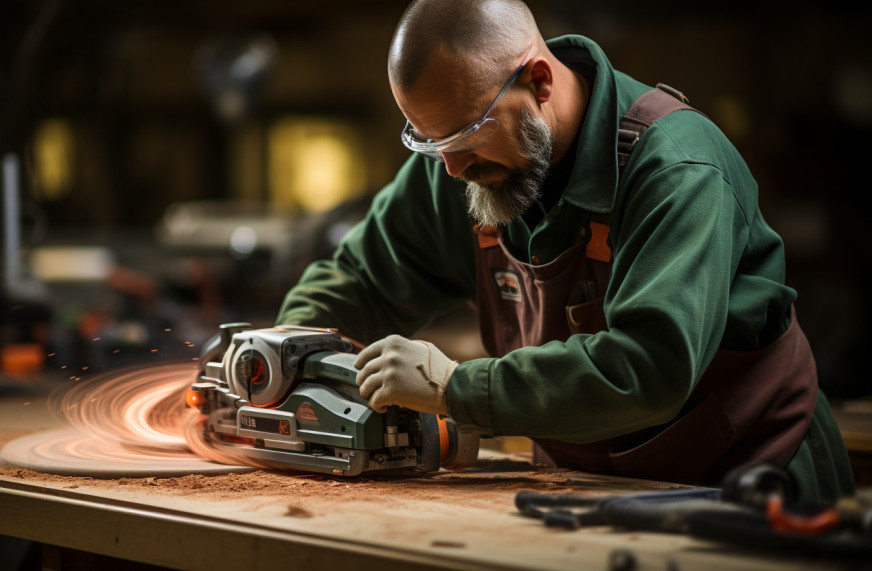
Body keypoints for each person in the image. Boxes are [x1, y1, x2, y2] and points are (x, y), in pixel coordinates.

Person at [275, 0, 855, 501]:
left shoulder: (677, 169)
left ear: (539, 82)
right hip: (584, 486)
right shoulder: (466, 165)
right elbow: (361, 280)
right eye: (430, 142)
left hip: (745, 482)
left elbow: (649, 367)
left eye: (465, 135)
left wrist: (457, 388)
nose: (452, 168)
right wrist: (286, 355)